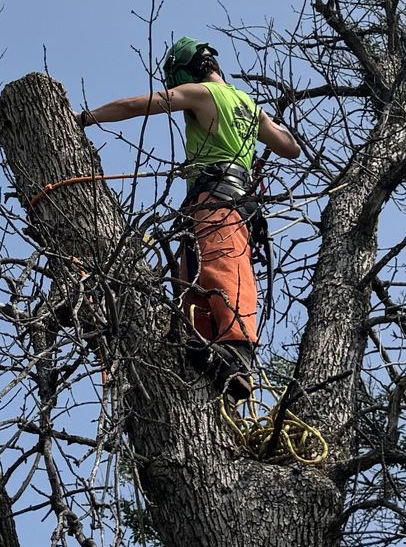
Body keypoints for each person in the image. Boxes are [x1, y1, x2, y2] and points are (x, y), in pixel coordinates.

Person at [77, 37, 301, 397]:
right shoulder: (247, 104)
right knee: (191, 278)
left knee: (222, 265)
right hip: (225, 198)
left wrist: (86, 118)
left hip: (216, 197)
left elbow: (135, 105)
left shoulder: (200, 94)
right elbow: (290, 147)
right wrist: (266, 121)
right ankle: (202, 345)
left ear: (186, 72)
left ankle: (236, 350)